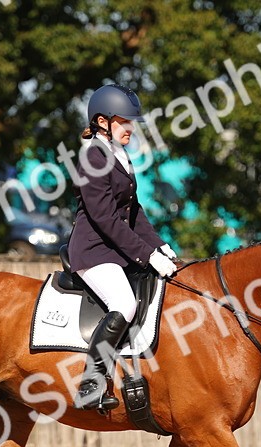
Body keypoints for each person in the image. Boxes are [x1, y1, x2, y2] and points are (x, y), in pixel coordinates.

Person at [67, 84, 180, 412]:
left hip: (116, 249)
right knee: (124, 303)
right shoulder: (91, 158)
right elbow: (106, 219)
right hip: (93, 251)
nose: (131, 128)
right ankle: (92, 380)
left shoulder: (118, 154)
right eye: (124, 122)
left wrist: (161, 246)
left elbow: (133, 212)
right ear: (102, 122)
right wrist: (146, 255)